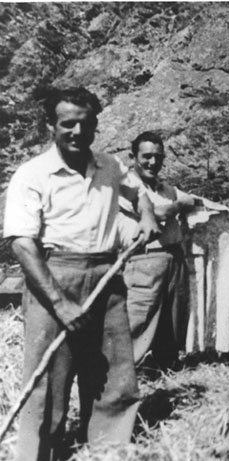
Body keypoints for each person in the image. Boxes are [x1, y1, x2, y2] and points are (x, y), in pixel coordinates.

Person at [4, 87, 160, 461]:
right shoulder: (32, 174)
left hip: (107, 276)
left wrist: (147, 214)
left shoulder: (110, 165)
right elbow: (22, 245)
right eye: (67, 124)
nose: (77, 131)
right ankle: (38, 454)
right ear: (50, 126)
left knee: (114, 378)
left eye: (85, 124)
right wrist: (60, 304)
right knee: (47, 386)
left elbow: (137, 190)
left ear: (95, 126)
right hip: (54, 276)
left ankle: (107, 451)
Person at [122, 131, 199, 369]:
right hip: (144, 260)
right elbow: (156, 213)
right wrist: (179, 205)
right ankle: (127, 370)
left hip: (173, 258)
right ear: (132, 156)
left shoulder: (166, 189)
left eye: (158, 157)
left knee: (172, 316)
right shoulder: (126, 186)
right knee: (139, 317)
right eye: (146, 157)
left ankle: (165, 365)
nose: (152, 163)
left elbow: (195, 201)